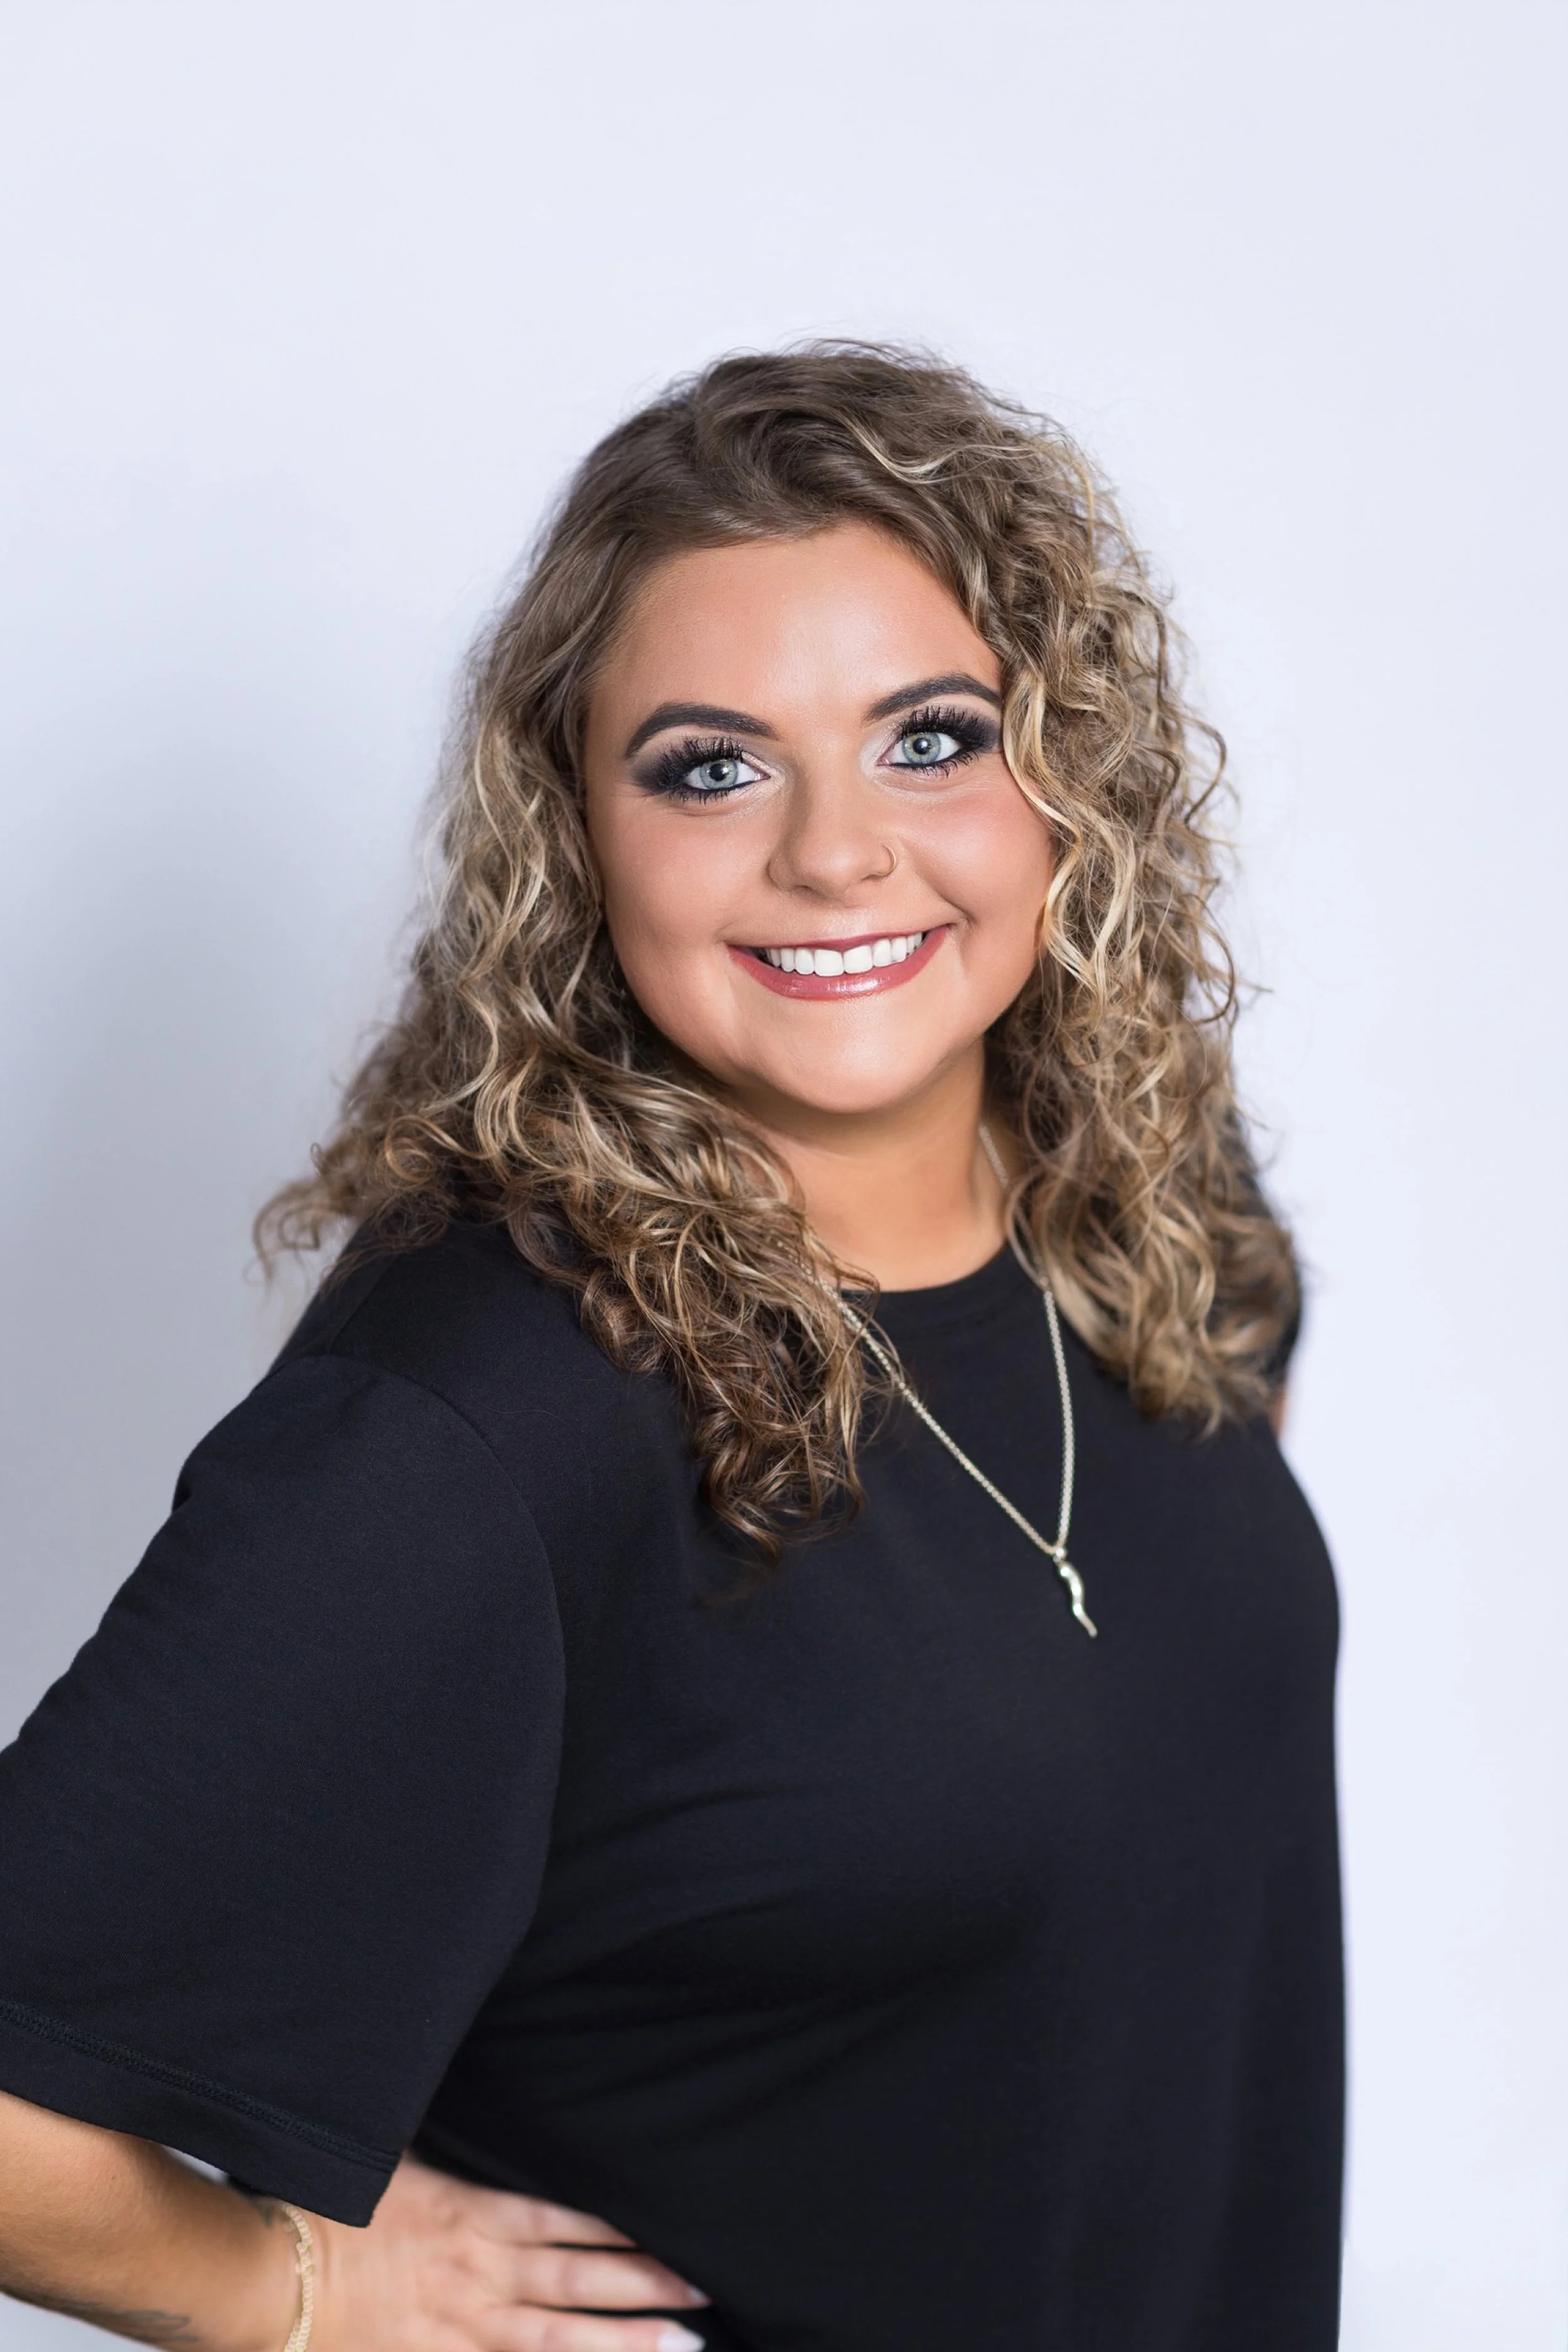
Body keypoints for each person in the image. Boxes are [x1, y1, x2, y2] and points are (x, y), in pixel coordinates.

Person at [0, 345, 1342, 2352]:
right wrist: (306, 2286)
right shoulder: (481, 1412)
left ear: (1071, 776)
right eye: (710, 764)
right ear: (575, 833)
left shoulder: (1146, 1190)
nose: (832, 852)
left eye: (930, 738)